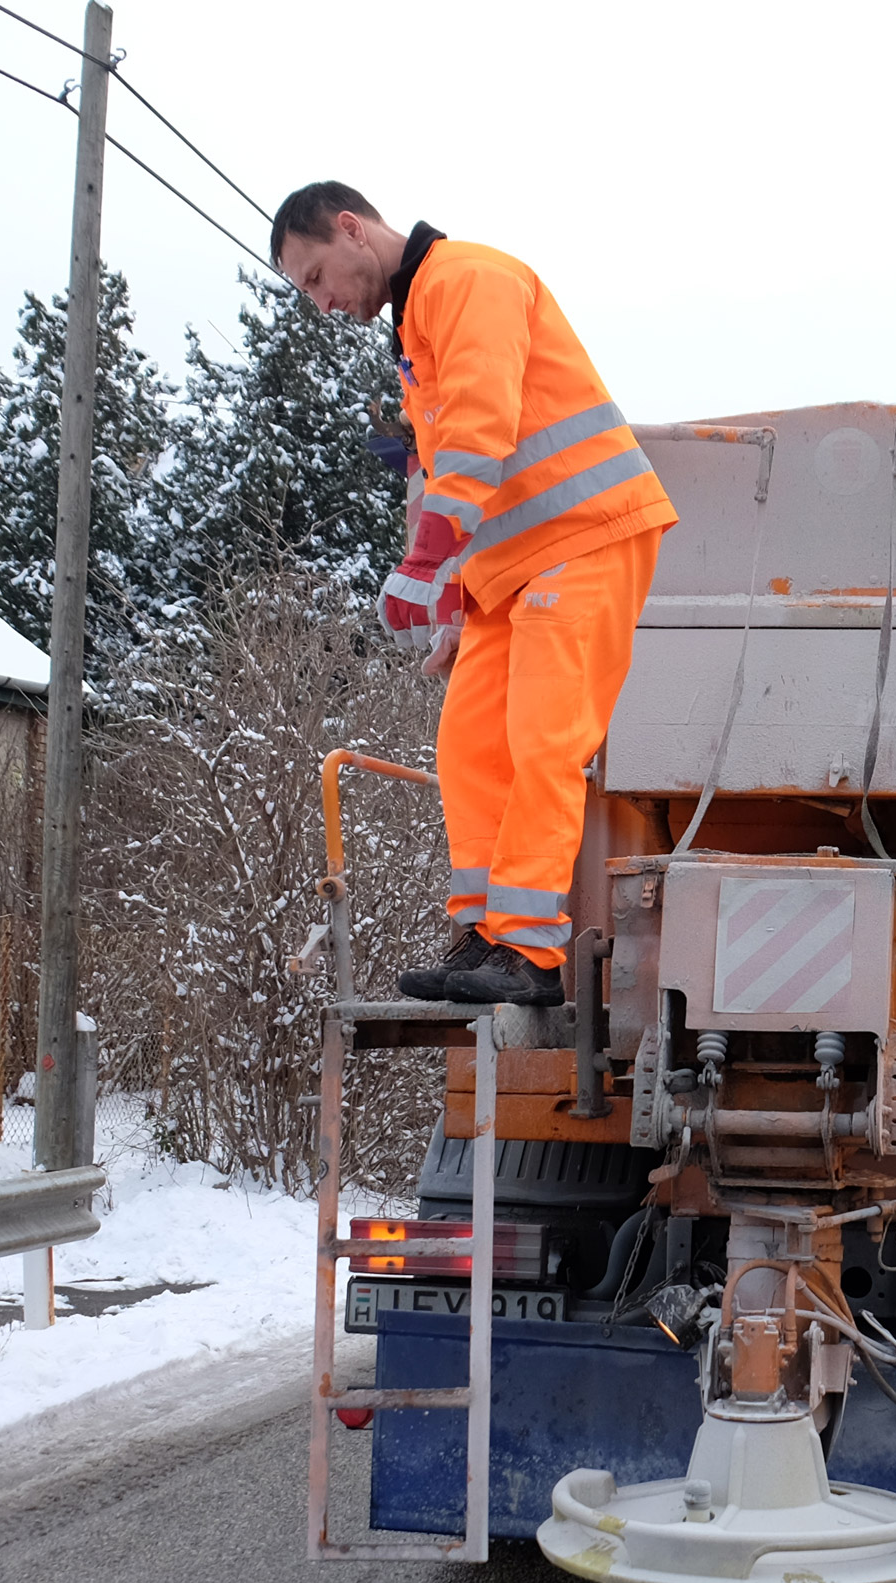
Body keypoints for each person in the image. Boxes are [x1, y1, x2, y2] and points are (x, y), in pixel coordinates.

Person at [271, 183, 676, 1006]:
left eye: (317, 277)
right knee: (467, 748)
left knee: (542, 740)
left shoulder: (467, 279)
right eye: (307, 292)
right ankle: (486, 936)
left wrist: (423, 567)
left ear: (352, 229)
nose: (322, 302)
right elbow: (452, 474)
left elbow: (478, 436)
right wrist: (453, 600)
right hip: (510, 570)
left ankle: (531, 952)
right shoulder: (418, 323)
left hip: (586, 536)